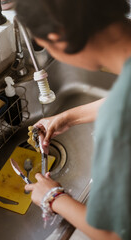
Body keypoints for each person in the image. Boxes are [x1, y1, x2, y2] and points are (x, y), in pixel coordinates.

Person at [15, 0, 131, 239]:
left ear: (58, 37)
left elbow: (114, 234)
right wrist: (69, 116)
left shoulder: (118, 118)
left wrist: (54, 198)